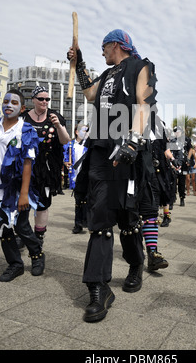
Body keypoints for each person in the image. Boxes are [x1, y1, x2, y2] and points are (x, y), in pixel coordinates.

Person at [67, 29, 157, 322]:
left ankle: (135, 263)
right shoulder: (107, 75)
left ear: (117, 45)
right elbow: (89, 92)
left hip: (126, 151)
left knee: (128, 218)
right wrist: (79, 65)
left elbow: (145, 103)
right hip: (100, 149)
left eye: (104, 46)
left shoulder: (139, 66)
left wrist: (133, 140)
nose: (102, 51)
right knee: (100, 216)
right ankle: (98, 286)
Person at [0, 89, 44, 281]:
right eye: (6, 101)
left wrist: (24, 193)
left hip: (16, 191)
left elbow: (27, 163)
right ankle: (15, 264)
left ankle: (37, 255)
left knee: (22, 227)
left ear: (22, 108)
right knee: (3, 229)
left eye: (14, 103)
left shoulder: (25, 131)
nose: (9, 105)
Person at [22, 86, 70, 245]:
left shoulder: (55, 116)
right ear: (33, 99)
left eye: (47, 99)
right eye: (41, 98)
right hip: (25, 166)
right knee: (22, 203)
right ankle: (24, 235)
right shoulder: (23, 117)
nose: (44, 102)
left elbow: (65, 140)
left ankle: (38, 238)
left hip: (47, 169)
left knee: (42, 204)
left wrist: (58, 126)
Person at [63, 121, 89, 233]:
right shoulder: (70, 145)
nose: (87, 133)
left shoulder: (89, 146)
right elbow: (65, 157)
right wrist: (65, 163)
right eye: (84, 130)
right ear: (77, 132)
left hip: (87, 177)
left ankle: (87, 221)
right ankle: (78, 224)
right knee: (78, 201)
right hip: (76, 177)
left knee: (88, 200)